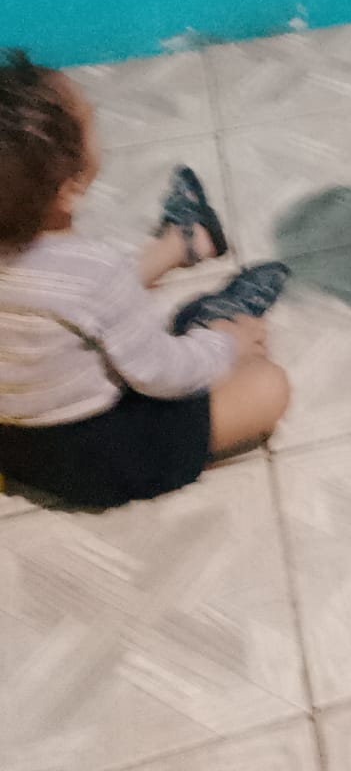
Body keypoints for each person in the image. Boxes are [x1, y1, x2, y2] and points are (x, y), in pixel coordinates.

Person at [0, 53, 289, 510]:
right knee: (269, 387)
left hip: (12, 444)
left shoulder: (85, 274)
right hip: (98, 455)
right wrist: (223, 344)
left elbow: (64, 298)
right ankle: (210, 313)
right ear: (69, 188)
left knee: (81, 297)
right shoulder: (95, 274)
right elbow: (160, 373)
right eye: (91, 120)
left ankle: (185, 241)